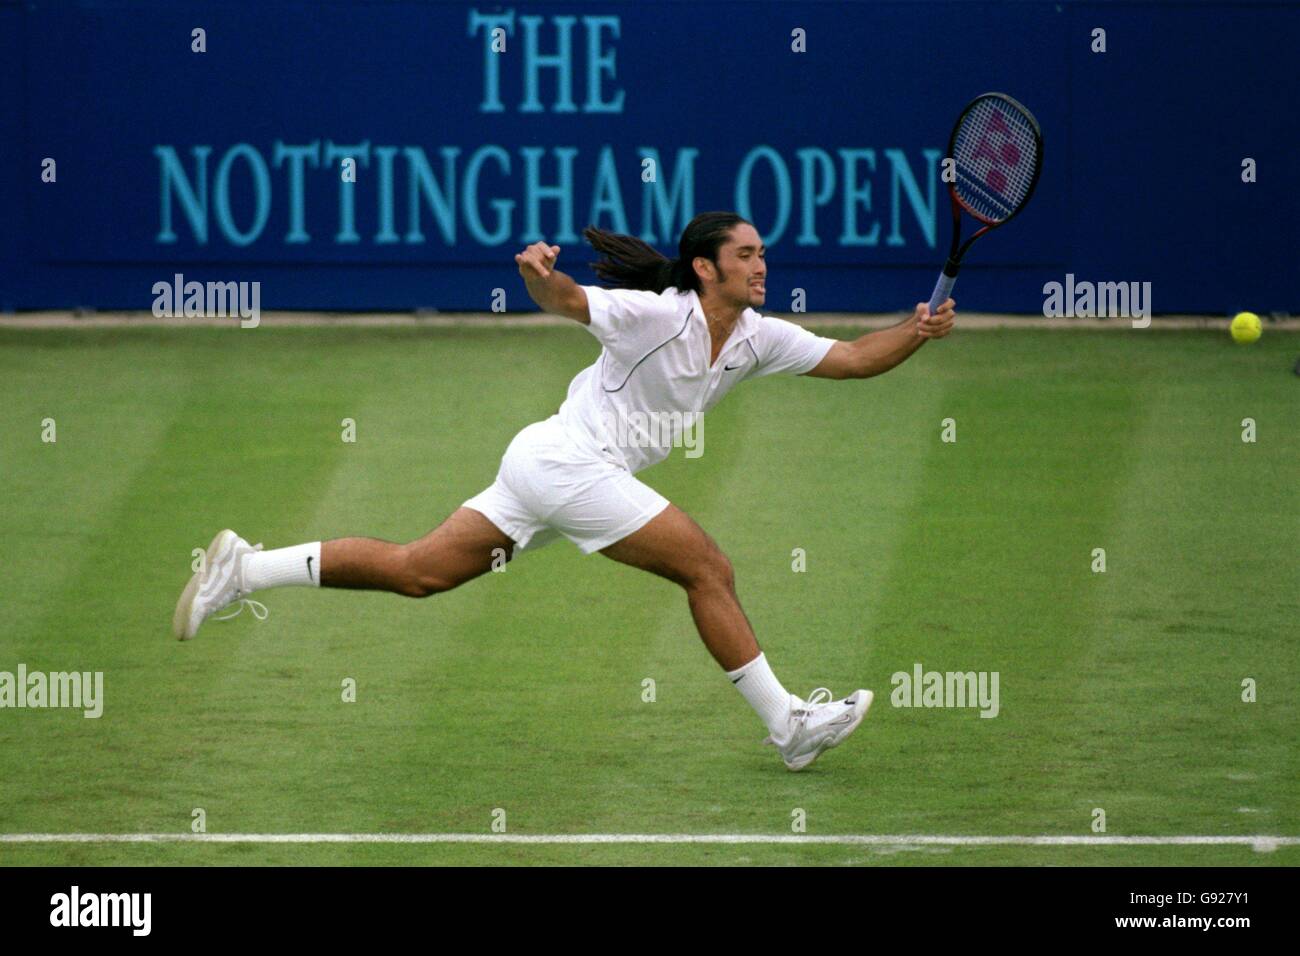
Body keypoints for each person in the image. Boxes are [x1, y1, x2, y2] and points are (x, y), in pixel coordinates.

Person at [173, 211, 956, 771]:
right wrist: (538, 278)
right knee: (706, 568)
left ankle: (242, 569)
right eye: (745, 254)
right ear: (705, 269)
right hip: (566, 464)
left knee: (420, 572)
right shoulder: (654, 314)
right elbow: (570, 301)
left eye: (762, 253)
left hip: (549, 464)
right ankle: (787, 724)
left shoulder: (759, 337)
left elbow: (853, 358)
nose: (761, 264)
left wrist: (914, 332)